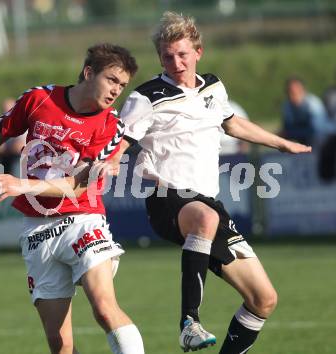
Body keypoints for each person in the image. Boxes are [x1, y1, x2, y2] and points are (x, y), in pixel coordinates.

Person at [0, 43, 145, 354]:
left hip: (82, 221)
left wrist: (23, 185)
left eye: (123, 85)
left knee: (103, 308)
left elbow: (77, 186)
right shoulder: (39, 99)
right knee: (60, 345)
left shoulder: (110, 125)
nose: (116, 91)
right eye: (112, 80)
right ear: (89, 73)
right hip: (37, 231)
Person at [112, 12, 311, 353]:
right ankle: (189, 322)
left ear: (198, 52)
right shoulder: (145, 97)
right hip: (166, 198)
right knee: (205, 218)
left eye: (182, 54)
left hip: (208, 204)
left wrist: (282, 143)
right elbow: (118, 143)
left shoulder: (213, 87)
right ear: (159, 57)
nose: (175, 62)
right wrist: (108, 163)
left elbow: (234, 125)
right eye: (167, 56)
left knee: (263, 299)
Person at [282, 77, 335, 146]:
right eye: (290, 92)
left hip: (325, 137)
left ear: (303, 91)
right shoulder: (287, 105)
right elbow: (287, 127)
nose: (293, 96)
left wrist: (292, 133)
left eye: (296, 92)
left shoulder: (312, 104)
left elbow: (316, 130)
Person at [0, 97, 27, 174]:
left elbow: (19, 146)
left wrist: (5, 149)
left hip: (19, 157)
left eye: (8, 110)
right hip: (7, 156)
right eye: (4, 111)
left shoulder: (20, 121)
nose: (6, 113)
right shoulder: (2, 122)